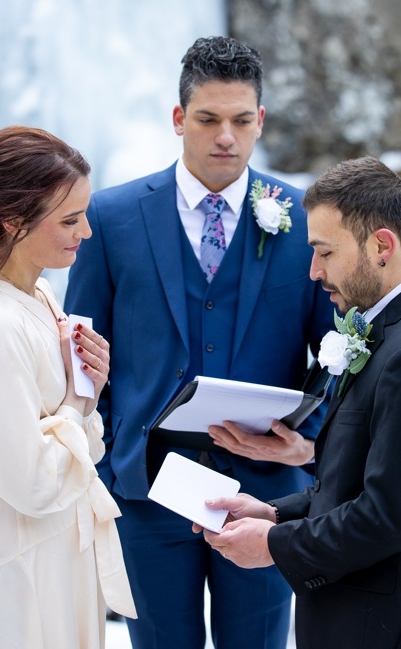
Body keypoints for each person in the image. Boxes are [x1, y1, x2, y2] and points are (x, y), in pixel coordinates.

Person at [64, 36, 332, 648]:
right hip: (144, 494)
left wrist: (304, 440)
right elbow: (80, 353)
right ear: (179, 118)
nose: (225, 138)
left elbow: (340, 353)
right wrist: (108, 461)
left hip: (264, 498)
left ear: (261, 120)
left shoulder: (303, 219)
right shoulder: (110, 217)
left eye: (241, 121)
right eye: (208, 119)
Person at [197, 156, 401, 648]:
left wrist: (273, 546)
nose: (313, 272)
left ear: (382, 246)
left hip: (393, 627)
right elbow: (358, 481)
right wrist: (274, 514)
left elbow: (386, 519)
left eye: (324, 253)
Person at [0, 125, 135, 649]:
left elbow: (83, 448)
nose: (85, 233)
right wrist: (82, 401)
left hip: (60, 550)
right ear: (14, 222)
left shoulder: (39, 295)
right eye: (69, 220)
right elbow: (30, 484)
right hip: (18, 568)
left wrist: (90, 389)